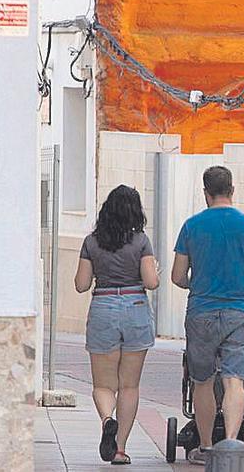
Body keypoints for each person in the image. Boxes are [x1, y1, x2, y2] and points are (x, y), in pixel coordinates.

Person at [172, 166, 244, 465]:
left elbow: (178, 276)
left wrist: (199, 280)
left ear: (206, 193)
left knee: (201, 381)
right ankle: (230, 444)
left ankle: (205, 448)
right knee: (235, 381)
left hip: (201, 311)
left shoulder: (192, 226)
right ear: (232, 190)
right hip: (241, 312)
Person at [73, 185, 160, 466]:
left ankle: (107, 419)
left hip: (103, 307)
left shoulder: (91, 242)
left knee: (103, 385)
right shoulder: (141, 241)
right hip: (135, 307)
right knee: (129, 385)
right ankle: (120, 449)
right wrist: (153, 269)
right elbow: (151, 282)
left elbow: (81, 284)